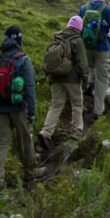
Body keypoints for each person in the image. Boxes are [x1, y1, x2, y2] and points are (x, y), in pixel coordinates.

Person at [0, 25, 40, 183]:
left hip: (0, 108)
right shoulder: (23, 60)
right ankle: (30, 172)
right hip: (19, 107)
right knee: (24, 139)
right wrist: (32, 112)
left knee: (1, 144)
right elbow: (30, 88)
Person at [39, 14, 88, 147]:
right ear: (79, 28)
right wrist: (86, 80)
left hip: (55, 77)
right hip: (72, 79)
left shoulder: (57, 37)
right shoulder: (77, 40)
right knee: (77, 103)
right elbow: (82, 63)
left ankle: (46, 132)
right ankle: (76, 131)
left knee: (55, 105)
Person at [79, 0, 110, 116]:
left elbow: (78, 25)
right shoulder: (107, 10)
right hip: (102, 47)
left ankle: (87, 88)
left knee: (90, 68)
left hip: (86, 46)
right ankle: (98, 110)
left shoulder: (83, 8)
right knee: (102, 78)